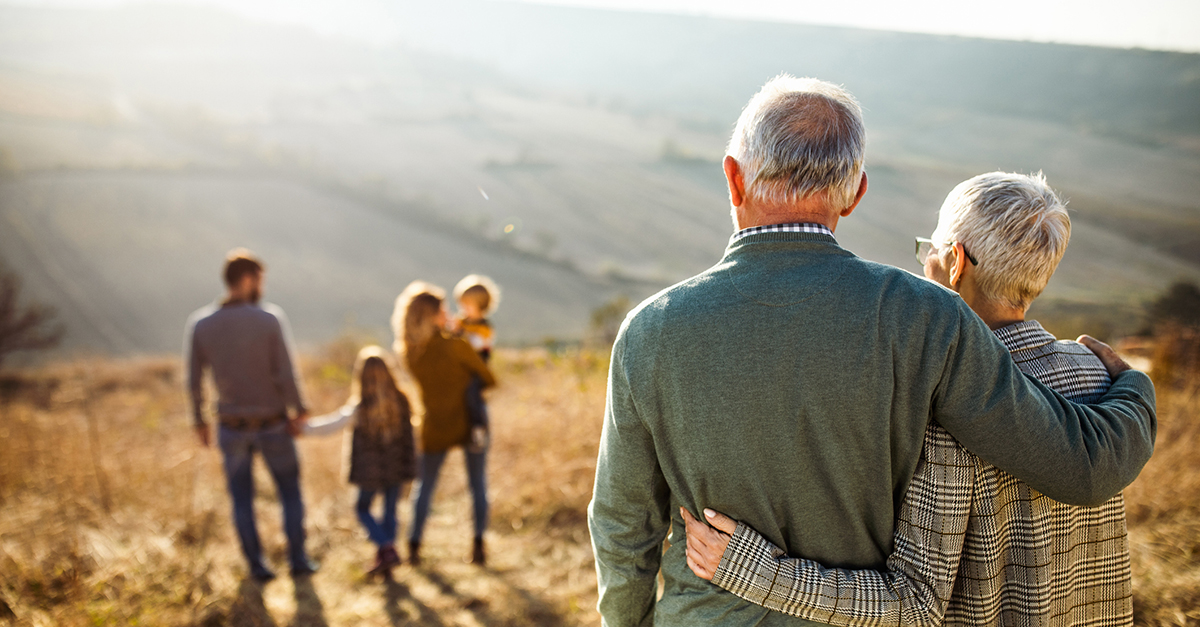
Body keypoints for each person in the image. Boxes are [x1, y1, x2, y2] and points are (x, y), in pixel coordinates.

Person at [586, 75, 1156, 626]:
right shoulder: (928, 317)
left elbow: (622, 527)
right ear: (855, 194)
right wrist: (1132, 387)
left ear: (733, 180)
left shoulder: (649, 330)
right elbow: (1076, 465)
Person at [684, 171, 1135, 625]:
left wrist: (754, 571)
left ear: (956, 263)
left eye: (930, 251)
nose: (924, 265)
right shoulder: (1097, 373)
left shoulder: (945, 405)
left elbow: (915, 604)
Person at [185, 248, 317, 581]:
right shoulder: (268, 319)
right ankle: (298, 560)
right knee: (290, 492)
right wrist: (299, 409)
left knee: (241, 499)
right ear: (247, 279)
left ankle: (257, 566)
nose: (263, 287)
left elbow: (193, 378)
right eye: (260, 280)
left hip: (230, 426)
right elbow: (285, 373)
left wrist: (199, 421)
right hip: (272, 423)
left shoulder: (201, 324)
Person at [392, 281, 497, 567]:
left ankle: (413, 546)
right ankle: (478, 545)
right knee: (477, 484)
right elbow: (488, 377)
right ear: (434, 315)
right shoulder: (456, 346)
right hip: (470, 420)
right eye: (443, 309)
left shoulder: (410, 353)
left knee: (424, 486)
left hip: (434, 423)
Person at [304, 346, 416, 578]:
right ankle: (386, 557)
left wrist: (302, 428)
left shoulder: (361, 406)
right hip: (395, 468)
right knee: (390, 512)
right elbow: (411, 438)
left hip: (370, 471)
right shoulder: (402, 400)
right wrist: (411, 465)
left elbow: (332, 425)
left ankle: (386, 548)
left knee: (362, 508)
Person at [451, 274, 501, 452]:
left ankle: (478, 429)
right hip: (462, 369)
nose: (463, 309)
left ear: (480, 306)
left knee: (472, 394)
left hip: (477, 370)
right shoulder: (462, 322)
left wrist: (460, 333)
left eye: (467, 305)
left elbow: (477, 345)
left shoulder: (485, 327)